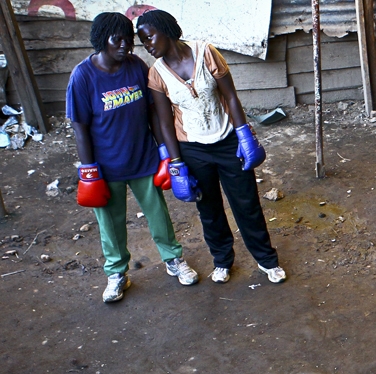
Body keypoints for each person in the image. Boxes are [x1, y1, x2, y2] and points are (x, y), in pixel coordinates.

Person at [135, 10, 285, 285]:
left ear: (166, 30)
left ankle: (267, 260)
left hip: (227, 141)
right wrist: (175, 162)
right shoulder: (156, 75)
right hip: (192, 149)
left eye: (150, 37)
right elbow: (165, 122)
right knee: (209, 208)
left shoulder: (205, 53)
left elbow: (230, 95)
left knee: (246, 203)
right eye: (143, 42)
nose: (148, 45)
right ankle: (222, 261)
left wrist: (244, 135)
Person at [67, 12, 199, 303]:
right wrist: (89, 172)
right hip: (106, 166)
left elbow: (154, 111)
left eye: (129, 40)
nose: (125, 45)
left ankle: (173, 259)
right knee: (110, 224)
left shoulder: (137, 67)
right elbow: (80, 128)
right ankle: (116, 274)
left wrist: (164, 150)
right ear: (102, 40)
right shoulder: (83, 77)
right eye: (118, 39)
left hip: (142, 158)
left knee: (158, 215)